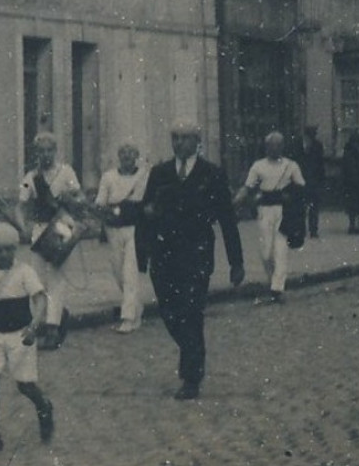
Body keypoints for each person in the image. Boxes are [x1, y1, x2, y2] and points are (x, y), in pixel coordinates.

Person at [136, 121, 244, 400]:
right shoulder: (159, 173)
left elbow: (227, 220)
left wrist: (236, 262)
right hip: (164, 255)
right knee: (170, 313)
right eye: (175, 138)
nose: (179, 143)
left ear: (197, 142)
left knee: (192, 311)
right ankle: (192, 356)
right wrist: (141, 254)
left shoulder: (212, 174)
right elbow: (144, 213)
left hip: (196, 254)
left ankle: (191, 376)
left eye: (185, 138)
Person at [0, 222, 54, 455]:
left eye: (7, 249)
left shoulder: (24, 272)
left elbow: (40, 299)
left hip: (20, 335)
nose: (2, 254)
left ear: (15, 249)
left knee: (25, 385)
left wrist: (35, 325)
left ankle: (44, 405)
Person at [18, 132, 87, 349]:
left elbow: (80, 197)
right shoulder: (30, 178)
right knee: (37, 280)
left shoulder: (66, 172)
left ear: (55, 151)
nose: (46, 154)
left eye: (49, 150)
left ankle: (52, 328)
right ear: (36, 153)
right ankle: (43, 319)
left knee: (57, 278)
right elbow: (20, 205)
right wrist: (23, 225)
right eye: (41, 151)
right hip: (39, 230)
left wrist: (71, 198)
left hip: (60, 227)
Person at [235, 131, 307, 304]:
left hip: (284, 210)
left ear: (282, 147)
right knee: (266, 251)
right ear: (266, 147)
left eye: (278, 145)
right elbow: (247, 186)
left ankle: (277, 287)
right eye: (270, 145)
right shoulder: (258, 166)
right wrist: (237, 200)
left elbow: (301, 186)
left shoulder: (291, 166)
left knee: (280, 249)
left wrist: (292, 196)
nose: (274, 148)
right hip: (265, 210)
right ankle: (272, 279)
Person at [95, 142, 149, 333]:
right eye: (123, 153)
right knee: (118, 271)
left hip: (134, 228)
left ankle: (128, 318)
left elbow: (143, 201)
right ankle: (136, 307)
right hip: (113, 229)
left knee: (130, 271)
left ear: (136, 156)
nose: (126, 156)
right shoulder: (109, 177)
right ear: (118, 156)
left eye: (130, 153)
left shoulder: (143, 176)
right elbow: (100, 201)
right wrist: (102, 211)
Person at [294, 126, 327, 239]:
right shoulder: (296, 145)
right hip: (300, 180)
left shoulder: (318, 146)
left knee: (314, 207)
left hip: (314, 180)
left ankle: (313, 230)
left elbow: (320, 164)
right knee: (300, 207)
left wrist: (321, 180)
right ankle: (301, 230)